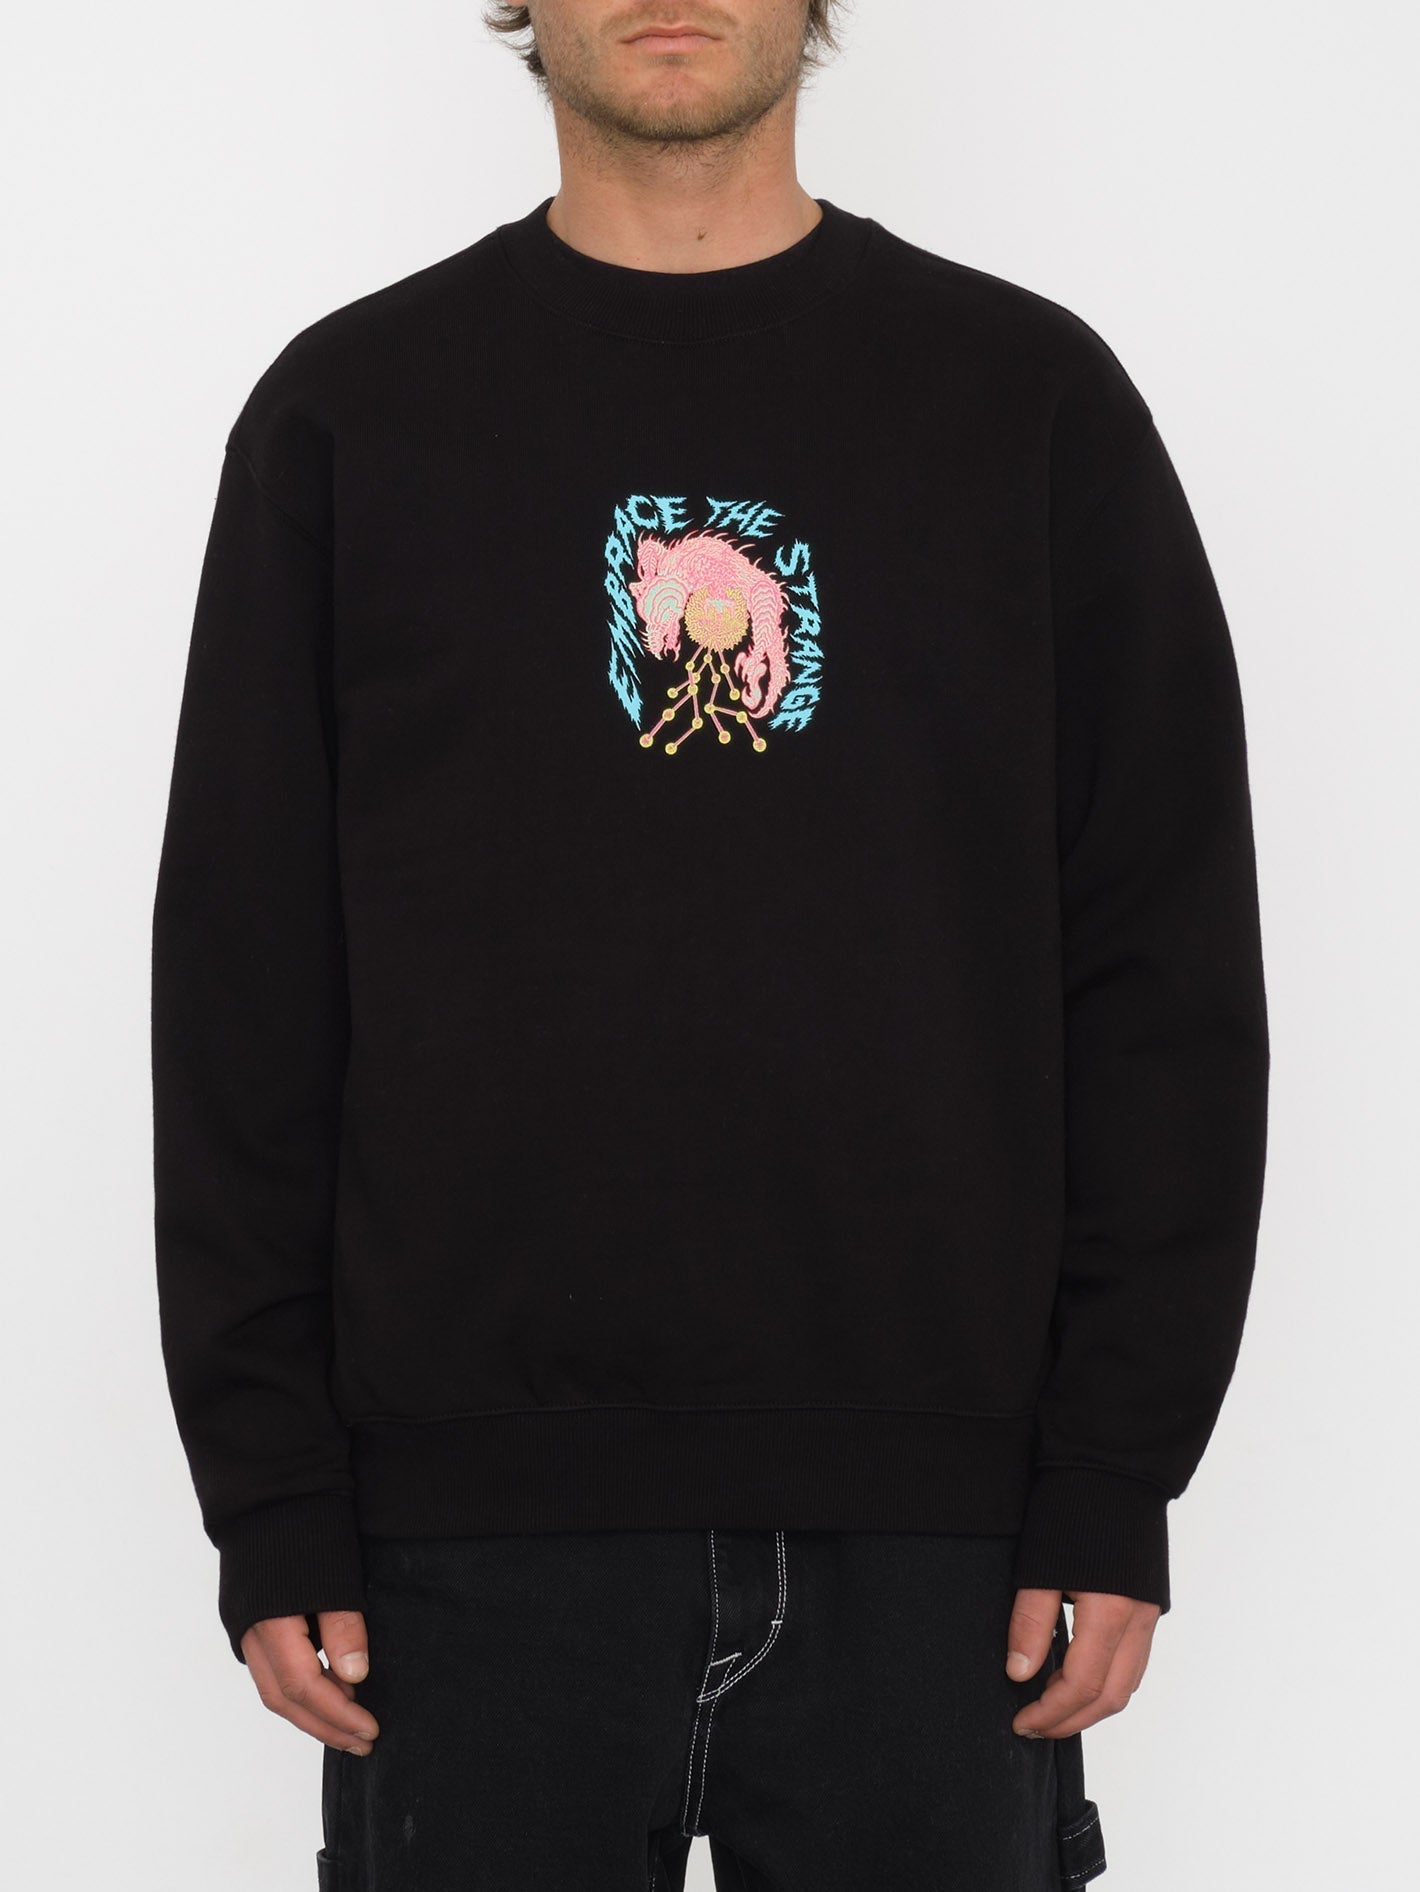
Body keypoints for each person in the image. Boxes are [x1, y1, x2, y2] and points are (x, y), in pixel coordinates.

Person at [149, 3, 1270, 1886]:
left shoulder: (1029, 404)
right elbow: (245, 996)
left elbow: (1164, 966)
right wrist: (271, 1490)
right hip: (465, 1557)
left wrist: (1112, 1467)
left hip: (947, 1555)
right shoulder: (352, 415)